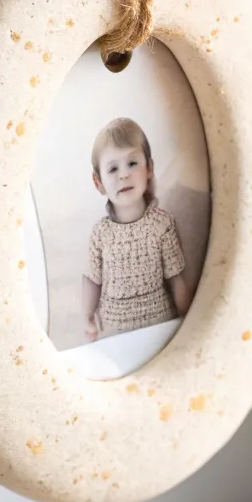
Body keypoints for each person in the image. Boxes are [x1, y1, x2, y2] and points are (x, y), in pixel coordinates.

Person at [82, 116, 193, 341]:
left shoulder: (162, 224)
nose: (124, 174)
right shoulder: (100, 233)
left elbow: (176, 278)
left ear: (149, 168)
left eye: (132, 163)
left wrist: (188, 321)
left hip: (159, 322)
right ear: (98, 183)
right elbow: (92, 279)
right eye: (113, 169)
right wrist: (88, 318)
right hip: (113, 329)